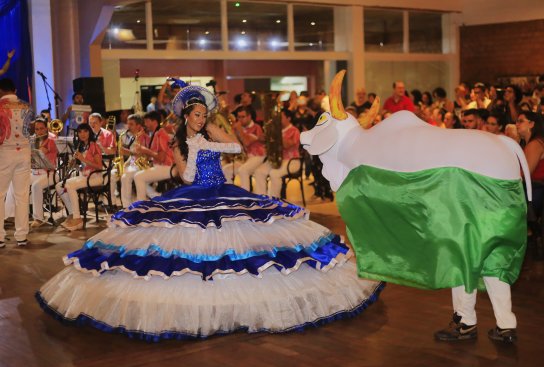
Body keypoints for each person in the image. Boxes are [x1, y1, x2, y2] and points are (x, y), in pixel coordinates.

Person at [36, 85, 383, 341]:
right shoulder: (175, 141)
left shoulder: (211, 130)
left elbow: (235, 147)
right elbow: (185, 175)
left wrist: (209, 141)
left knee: (251, 242)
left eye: (205, 114)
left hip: (223, 190)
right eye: (197, 115)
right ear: (186, 116)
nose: (202, 119)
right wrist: (192, 150)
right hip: (194, 192)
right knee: (184, 251)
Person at [0, 78, 34, 247]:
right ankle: (21, 235)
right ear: (14, 89)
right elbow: (31, 129)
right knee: (21, 195)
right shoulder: (27, 106)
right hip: (25, 152)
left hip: (5, 152)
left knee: (0, 195)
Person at [55, 123, 104, 231]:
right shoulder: (81, 146)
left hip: (95, 177)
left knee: (70, 186)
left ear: (89, 132)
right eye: (80, 131)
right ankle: (72, 214)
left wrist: (83, 159)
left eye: (85, 131)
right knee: (59, 186)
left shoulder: (94, 146)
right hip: (85, 176)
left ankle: (77, 219)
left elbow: (99, 166)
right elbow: (82, 167)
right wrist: (74, 164)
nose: (83, 134)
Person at [127, 111, 174, 201]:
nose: (145, 124)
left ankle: (142, 206)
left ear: (154, 122)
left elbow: (161, 158)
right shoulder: (156, 134)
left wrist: (145, 150)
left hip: (166, 167)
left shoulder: (161, 134)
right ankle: (157, 198)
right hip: (159, 165)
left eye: (147, 121)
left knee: (138, 176)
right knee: (137, 176)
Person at [253, 108, 301, 197]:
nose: (277, 120)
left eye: (280, 118)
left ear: (288, 118)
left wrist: (276, 133)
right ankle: (262, 200)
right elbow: (261, 140)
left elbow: (287, 145)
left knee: (274, 174)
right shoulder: (275, 130)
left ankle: (274, 202)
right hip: (276, 159)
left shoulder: (294, 131)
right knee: (259, 171)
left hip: (292, 161)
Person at [30, 118, 58, 227]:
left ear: (46, 128)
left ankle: (38, 218)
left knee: (36, 186)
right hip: (34, 173)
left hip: (49, 174)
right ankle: (12, 214)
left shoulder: (51, 140)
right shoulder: (32, 140)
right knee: (16, 181)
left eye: (42, 129)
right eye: (37, 129)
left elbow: (41, 152)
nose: (39, 132)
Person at [119, 114, 151, 208]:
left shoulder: (144, 136)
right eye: (128, 124)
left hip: (143, 164)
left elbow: (145, 154)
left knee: (126, 177)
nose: (128, 126)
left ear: (138, 125)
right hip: (134, 163)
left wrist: (127, 152)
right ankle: (126, 206)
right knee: (123, 176)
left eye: (131, 124)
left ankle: (127, 206)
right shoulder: (133, 136)